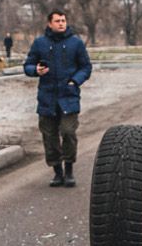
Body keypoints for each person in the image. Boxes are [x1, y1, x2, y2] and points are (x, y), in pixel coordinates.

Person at [24, 11, 92, 187]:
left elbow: (86, 67)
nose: (61, 23)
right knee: (49, 136)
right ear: (49, 24)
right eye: (57, 21)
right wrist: (35, 70)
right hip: (47, 97)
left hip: (68, 95)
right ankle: (57, 171)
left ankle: (69, 170)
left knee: (68, 132)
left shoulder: (75, 43)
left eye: (63, 20)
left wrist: (74, 81)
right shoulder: (40, 43)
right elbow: (28, 65)